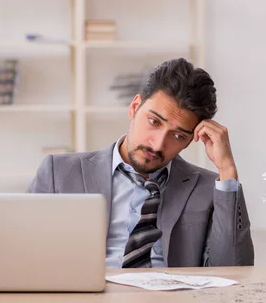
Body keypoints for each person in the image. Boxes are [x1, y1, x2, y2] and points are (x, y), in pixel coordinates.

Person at [27, 58, 254, 268]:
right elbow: (24, 254)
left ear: (190, 141)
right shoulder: (59, 172)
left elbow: (233, 271)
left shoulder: (207, 187)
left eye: (178, 136)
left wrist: (227, 171)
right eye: (154, 121)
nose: (157, 145)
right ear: (135, 107)